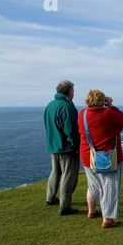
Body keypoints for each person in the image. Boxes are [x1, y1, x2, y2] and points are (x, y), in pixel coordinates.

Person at [78, 90, 123, 228]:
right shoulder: (108, 114)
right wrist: (111, 106)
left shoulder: (83, 114)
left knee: (93, 185)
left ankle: (92, 211)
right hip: (108, 157)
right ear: (103, 101)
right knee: (109, 187)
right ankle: (107, 220)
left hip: (88, 156)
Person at [44, 80, 81, 216]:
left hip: (53, 146)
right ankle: (65, 206)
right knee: (68, 176)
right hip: (66, 148)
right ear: (69, 92)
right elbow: (71, 130)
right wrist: (76, 145)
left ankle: (50, 198)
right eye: (73, 91)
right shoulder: (67, 106)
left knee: (55, 172)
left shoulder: (50, 105)